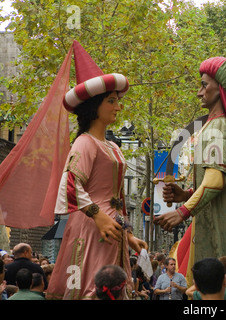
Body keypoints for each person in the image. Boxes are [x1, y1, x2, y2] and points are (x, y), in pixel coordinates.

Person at [154, 38, 226, 298]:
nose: (199, 92)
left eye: (204, 85)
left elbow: (215, 182)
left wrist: (182, 211)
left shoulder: (216, 128)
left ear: (220, 89)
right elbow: (217, 181)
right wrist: (185, 194)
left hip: (219, 226)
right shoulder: (218, 126)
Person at [46, 41, 147, 300]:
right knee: (92, 287)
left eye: (117, 100)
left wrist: (130, 235)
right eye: (111, 101)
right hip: (92, 227)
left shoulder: (113, 147)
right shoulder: (84, 143)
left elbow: (119, 198)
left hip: (113, 229)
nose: (117, 106)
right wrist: (98, 216)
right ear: (94, 106)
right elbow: (70, 183)